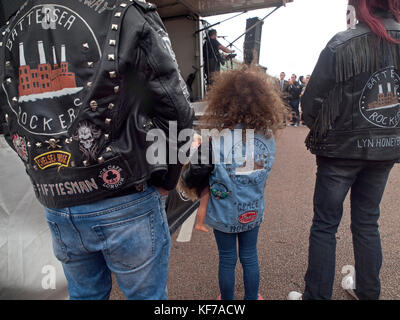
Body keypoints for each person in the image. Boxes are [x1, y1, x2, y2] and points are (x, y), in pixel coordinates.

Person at [0, 0, 193, 300]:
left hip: (58, 203)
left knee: (85, 296)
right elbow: (177, 110)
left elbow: (9, 120)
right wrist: (167, 179)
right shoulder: (126, 11)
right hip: (125, 194)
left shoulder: (12, 25)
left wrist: (44, 175)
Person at [288, 0, 400, 300]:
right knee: (367, 222)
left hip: (339, 152)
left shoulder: (341, 43)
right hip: (385, 150)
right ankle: (368, 292)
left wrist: (324, 130)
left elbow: (310, 104)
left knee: (325, 225)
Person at [178, 66, 287, 300]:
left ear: (224, 102)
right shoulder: (268, 137)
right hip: (253, 208)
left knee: (227, 258)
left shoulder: (216, 141)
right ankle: (251, 298)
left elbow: (192, 175)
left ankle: (227, 301)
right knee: (249, 255)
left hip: (224, 211)